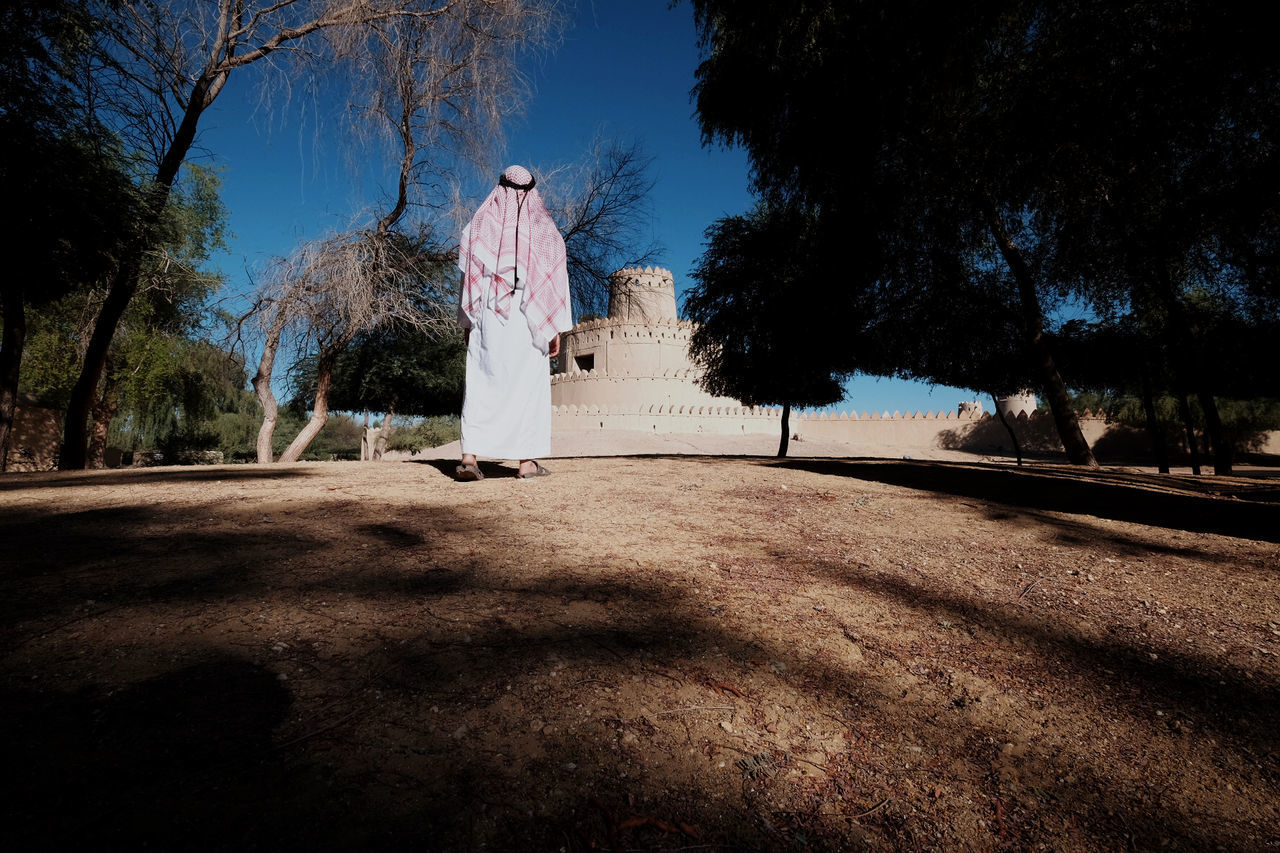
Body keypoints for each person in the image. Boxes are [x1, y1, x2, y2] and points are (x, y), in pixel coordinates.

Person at [454, 165, 572, 480]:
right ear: (531, 191)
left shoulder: (478, 226)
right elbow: (557, 281)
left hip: (488, 313)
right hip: (529, 316)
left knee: (481, 380)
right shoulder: (547, 232)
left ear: (500, 188)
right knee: (529, 387)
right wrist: (555, 328)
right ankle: (526, 463)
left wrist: (466, 322)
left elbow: (467, 282)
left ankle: (469, 458)